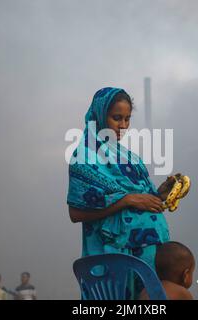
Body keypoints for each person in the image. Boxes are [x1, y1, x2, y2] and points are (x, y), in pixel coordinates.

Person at [67, 87, 175, 299]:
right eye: (117, 118)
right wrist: (127, 200)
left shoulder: (129, 157)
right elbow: (76, 213)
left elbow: (143, 201)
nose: (123, 126)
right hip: (114, 257)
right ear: (99, 115)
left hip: (149, 258)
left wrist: (160, 194)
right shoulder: (84, 156)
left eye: (127, 119)